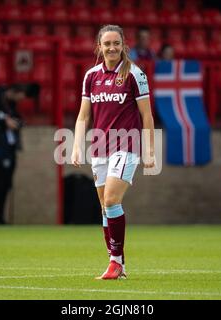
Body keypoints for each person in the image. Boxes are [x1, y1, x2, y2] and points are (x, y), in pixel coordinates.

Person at [71, 25, 155, 280]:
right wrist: (76, 145)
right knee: (105, 209)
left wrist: (149, 151)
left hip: (126, 145)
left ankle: (115, 262)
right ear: (99, 46)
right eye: (106, 43)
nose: (111, 48)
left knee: (111, 201)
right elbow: (84, 115)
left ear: (123, 45)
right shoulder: (91, 76)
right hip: (100, 147)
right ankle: (118, 265)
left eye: (116, 43)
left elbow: (147, 115)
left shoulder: (134, 74)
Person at [0, 84, 35, 225]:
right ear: (15, 92)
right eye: (20, 97)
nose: (20, 101)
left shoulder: (11, 105)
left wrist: (18, 123)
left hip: (10, 148)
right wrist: (4, 122)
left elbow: (16, 119)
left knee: (6, 184)